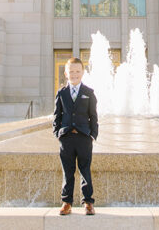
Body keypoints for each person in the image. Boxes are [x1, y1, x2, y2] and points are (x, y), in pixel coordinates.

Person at [53, 57, 98, 215]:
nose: (74, 74)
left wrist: (93, 135)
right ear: (66, 73)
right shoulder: (62, 93)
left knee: (85, 169)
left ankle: (88, 202)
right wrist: (58, 133)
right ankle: (67, 202)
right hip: (66, 138)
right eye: (71, 71)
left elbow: (93, 116)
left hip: (84, 137)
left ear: (83, 73)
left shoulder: (89, 93)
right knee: (68, 170)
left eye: (77, 71)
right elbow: (57, 116)